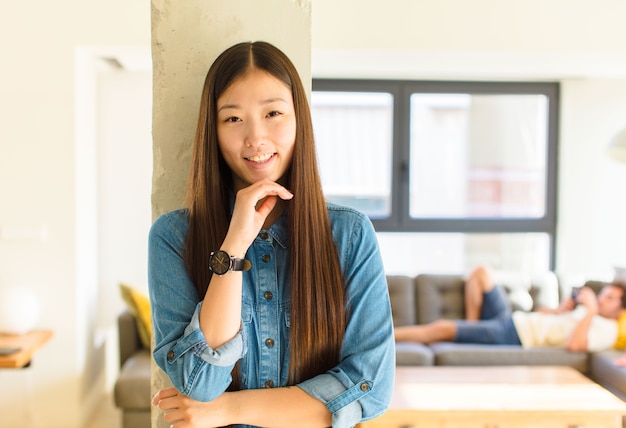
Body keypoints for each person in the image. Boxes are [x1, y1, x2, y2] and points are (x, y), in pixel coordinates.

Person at [148, 41, 394, 428]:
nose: (255, 138)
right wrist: (233, 245)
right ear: (212, 130)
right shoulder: (173, 236)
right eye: (233, 119)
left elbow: (369, 388)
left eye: (273, 113)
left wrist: (230, 410)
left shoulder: (349, 234)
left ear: (299, 119)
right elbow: (200, 383)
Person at [395, 265, 626, 353]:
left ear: (620, 308)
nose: (602, 300)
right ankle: (474, 327)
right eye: (603, 295)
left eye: (609, 299)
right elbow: (545, 316)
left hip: (516, 335)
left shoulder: (608, 329)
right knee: (482, 273)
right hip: (515, 319)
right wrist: (559, 312)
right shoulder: (587, 314)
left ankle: (383, 337)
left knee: (441, 327)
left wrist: (591, 311)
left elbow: (575, 345)